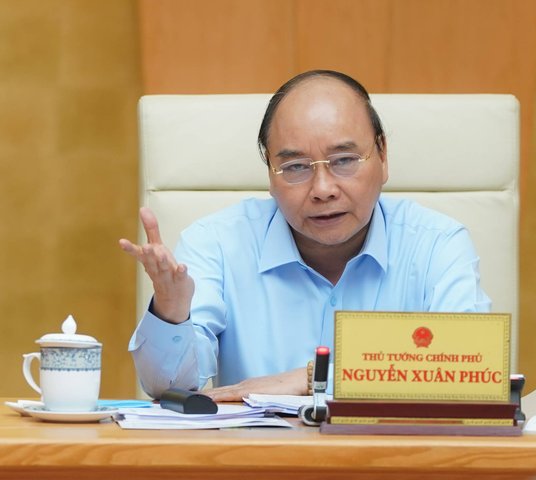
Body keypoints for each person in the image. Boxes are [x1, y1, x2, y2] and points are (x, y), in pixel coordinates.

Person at [119, 70, 491, 401]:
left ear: (382, 155)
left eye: (344, 161)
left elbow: (469, 376)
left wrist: (311, 378)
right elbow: (169, 389)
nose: (323, 189)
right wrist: (171, 313)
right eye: (296, 167)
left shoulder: (437, 244)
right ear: (270, 173)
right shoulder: (215, 243)